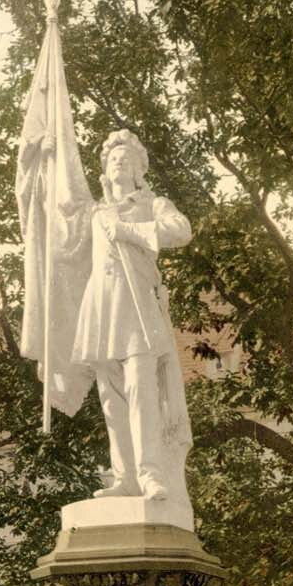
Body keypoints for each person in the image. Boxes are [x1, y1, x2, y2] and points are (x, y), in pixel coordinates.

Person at [70, 130, 193, 503]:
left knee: (142, 391)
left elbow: (180, 231)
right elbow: (64, 239)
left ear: (139, 168)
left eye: (126, 158)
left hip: (137, 306)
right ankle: (124, 477)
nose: (118, 162)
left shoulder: (152, 202)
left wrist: (129, 230)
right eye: (112, 159)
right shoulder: (96, 211)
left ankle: (151, 474)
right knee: (111, 398)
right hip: (103, 306)